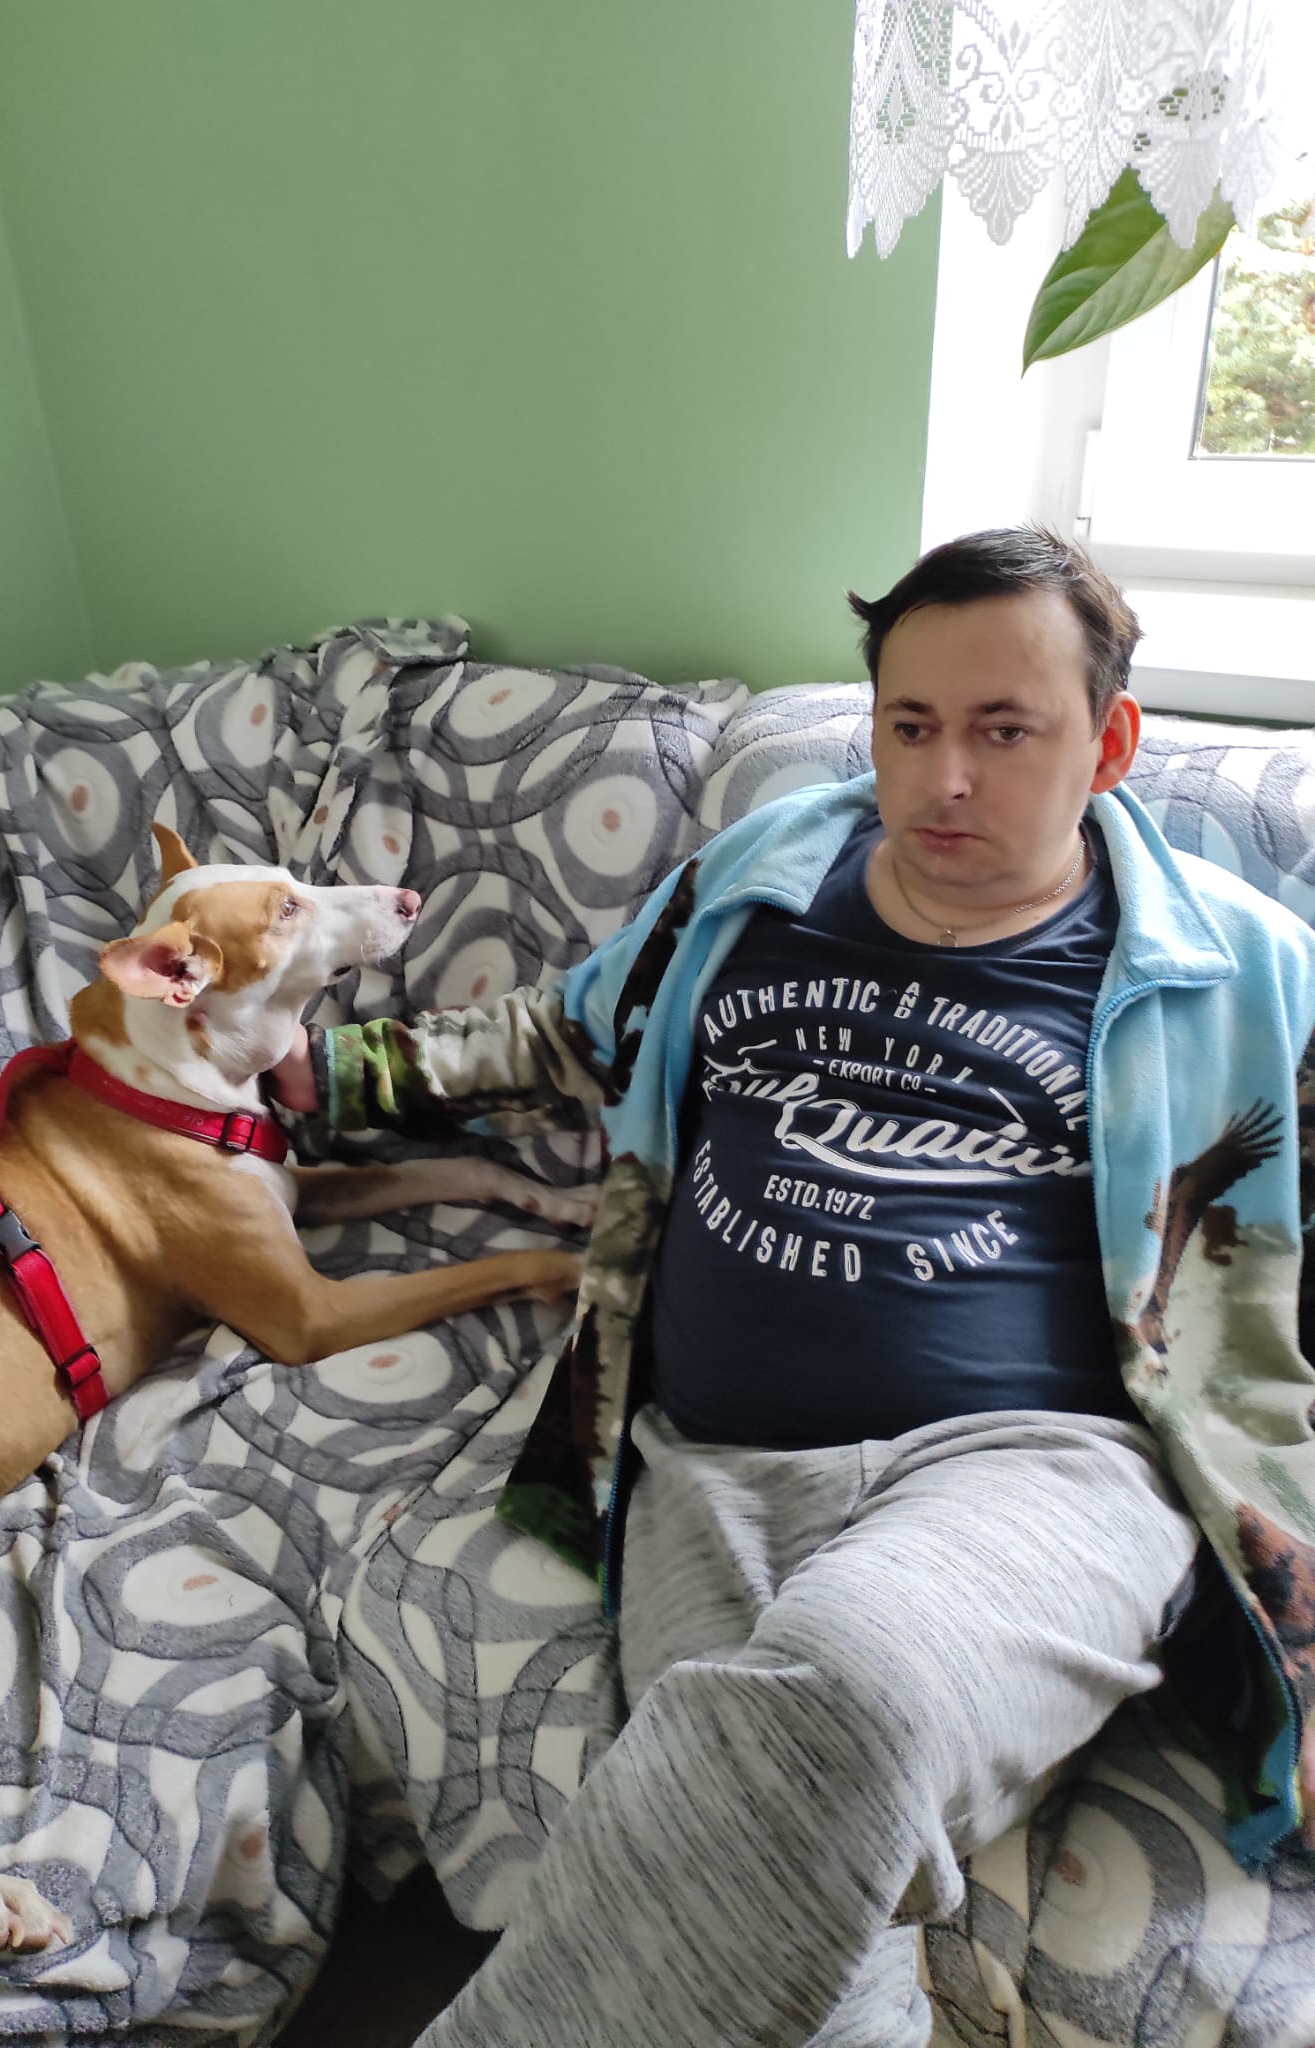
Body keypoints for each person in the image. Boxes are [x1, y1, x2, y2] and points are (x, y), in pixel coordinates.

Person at [271, 528, 1315, 2048]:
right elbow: (573, 1031)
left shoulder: (1240, 968)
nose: (943, 780)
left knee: (847, 1692)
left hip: (1040, 1467)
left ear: (1109, 743)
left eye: (1005, 731)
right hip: (711, 1464)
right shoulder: (762, 876)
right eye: (911, 725)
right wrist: (325, 1073)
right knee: (777, 1873)